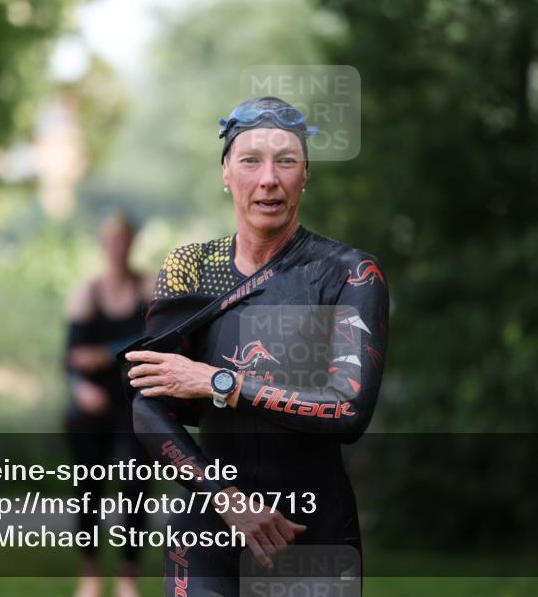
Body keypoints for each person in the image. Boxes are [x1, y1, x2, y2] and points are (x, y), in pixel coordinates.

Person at [122, 96, 389, 596]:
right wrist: (226, 497)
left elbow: (349, 410)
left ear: (305, 175)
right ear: (226, 173)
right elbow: (147, 405)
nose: (269, 178)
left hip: (311, 535)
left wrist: (220, 382)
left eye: (286, 160)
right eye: (250, 160)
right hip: (208, 527)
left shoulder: (349, 273)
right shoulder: (190, 268)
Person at [64, 212, 155, 597]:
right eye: (112, 239)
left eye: (125, 239)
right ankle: (89, 576)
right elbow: (70, 359)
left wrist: (104, 353)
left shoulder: (148, 287)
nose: (118, 246)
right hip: (93, 406)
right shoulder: (87, 291)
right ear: (104, 244)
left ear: (132, 243)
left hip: (134, 405)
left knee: (136, 486)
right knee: (88, 489)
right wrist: (81, 386)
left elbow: (156, 340)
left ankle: (127, 579)